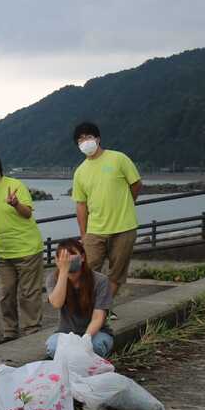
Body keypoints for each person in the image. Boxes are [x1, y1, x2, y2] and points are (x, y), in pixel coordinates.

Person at [0, 151, 44, 343]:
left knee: (29, 294)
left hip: (28, 249)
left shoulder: (15, 185)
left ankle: (32, 331)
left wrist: (15, 204)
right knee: (5, 294)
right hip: (5, 254)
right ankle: (10, 332)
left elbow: (27, 213)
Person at [72, 122, 143, 297]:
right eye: (80, 139)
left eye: (88, 137)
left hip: (124, 227)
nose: (85, 141)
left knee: (116, 273)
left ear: (98, 138)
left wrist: (126, 204)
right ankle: (90, 308)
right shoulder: (80, 172)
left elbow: (136, 184)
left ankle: (104, 309)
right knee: (87, 271)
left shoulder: (118, 158)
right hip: (95, 230)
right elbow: (81, 204)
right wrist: (84, 234)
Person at [45, 240, 115, 358]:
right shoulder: (53, 278)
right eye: (63, 256)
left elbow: (98, 317)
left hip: (96, 334)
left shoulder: (100, 280)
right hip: (66, 333)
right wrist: (63, 272)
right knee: (52, 347)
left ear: (82, 257)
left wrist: (84, 340)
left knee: (96, 346)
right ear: (57, 261)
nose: (68, 259)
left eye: (71, 254)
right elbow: (57, 303)